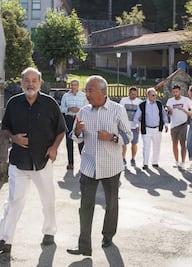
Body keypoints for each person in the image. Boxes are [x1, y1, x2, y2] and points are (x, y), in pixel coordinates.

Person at [0, 67, 66, 253]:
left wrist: (54, 148)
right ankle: (4, 240)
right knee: (13, 201)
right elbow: (5, 128)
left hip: (42, 161)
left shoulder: (50, 104)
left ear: (40, 83)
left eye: (34, 80)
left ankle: (49, 231)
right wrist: (13, 138)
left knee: (48, 200)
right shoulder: (14, 103)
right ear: (21, 83)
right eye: (26, 80)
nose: (30, 84)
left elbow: (61, 129)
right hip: (19, 162)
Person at [66, 75, 132, 256]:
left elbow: (129, 136)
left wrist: (112, 137)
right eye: (86, 90)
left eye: (90, 90)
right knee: (85, 207)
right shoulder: (83, 112)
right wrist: (78, 131)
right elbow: (75, 137)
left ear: (103, 92)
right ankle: (84, 246)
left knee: (111, 204)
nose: (86, 94)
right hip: (88, 166)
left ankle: (108, 234)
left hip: (111, 166)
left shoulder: (118, 110)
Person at [133, 88, 169, 170]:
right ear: (148, 95)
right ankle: (145, 163)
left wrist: (166, 124)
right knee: (146, 147)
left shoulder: (159, 104)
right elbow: (136, 118)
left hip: (157, 129)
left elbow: (164, 115)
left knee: (157, 146)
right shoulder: (142, 105)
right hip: (147, 129)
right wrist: (137, 126)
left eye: (155, 95)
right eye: (153, 95)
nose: (155, 97)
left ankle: (155, 162)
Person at [60, 78, 88, 170]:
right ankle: (70, 163)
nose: (73, 86)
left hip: (79, 119)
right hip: (69, 119)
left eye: (75, 85)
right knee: (69, 141)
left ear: (78, 86)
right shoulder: (65, 96)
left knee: (81, 141)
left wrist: (79, 110)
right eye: (72, 85)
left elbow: (87, 108)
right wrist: (68, 109)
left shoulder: (83, 96)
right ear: (70, 86)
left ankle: (84, 163)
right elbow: (61, 108)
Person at [166, 84, 191, 170]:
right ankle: (176, 161)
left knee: (183, 144)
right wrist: (169, 112)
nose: (175, 93)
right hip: (173, 125)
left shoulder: (186, 100)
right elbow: (168, 113)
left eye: (177, 91)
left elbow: (191, 109)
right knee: (174, 144)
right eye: (174, 92)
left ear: (180, 91)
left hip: (183, 124)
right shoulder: (170, 101)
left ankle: (183, 162)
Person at [119, 87, 143, 167]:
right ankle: (123, 159)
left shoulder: (139, 102)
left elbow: (142, 114)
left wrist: (139, 125)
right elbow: (119, 112)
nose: (134, 96)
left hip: (135, 126)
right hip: (124, 126)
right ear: (129, 94)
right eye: (132, 94)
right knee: (124, 143)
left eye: (135, 94)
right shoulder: (123, 101)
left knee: (134, 143)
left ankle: (133, 159)